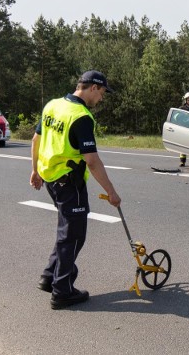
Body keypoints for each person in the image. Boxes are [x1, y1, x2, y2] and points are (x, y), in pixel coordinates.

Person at [30, 69, 121, 310]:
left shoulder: (53, 105)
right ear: (93, 88)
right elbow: (91, 160)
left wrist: (35, 170)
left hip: (50, 177)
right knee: (73, 235)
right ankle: (62, 290)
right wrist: (111, 191)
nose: (101, 98)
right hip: (69, 183)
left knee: (66, 230)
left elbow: (36, 140)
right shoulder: (81, 116)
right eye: (102, 92)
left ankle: (49, 276)